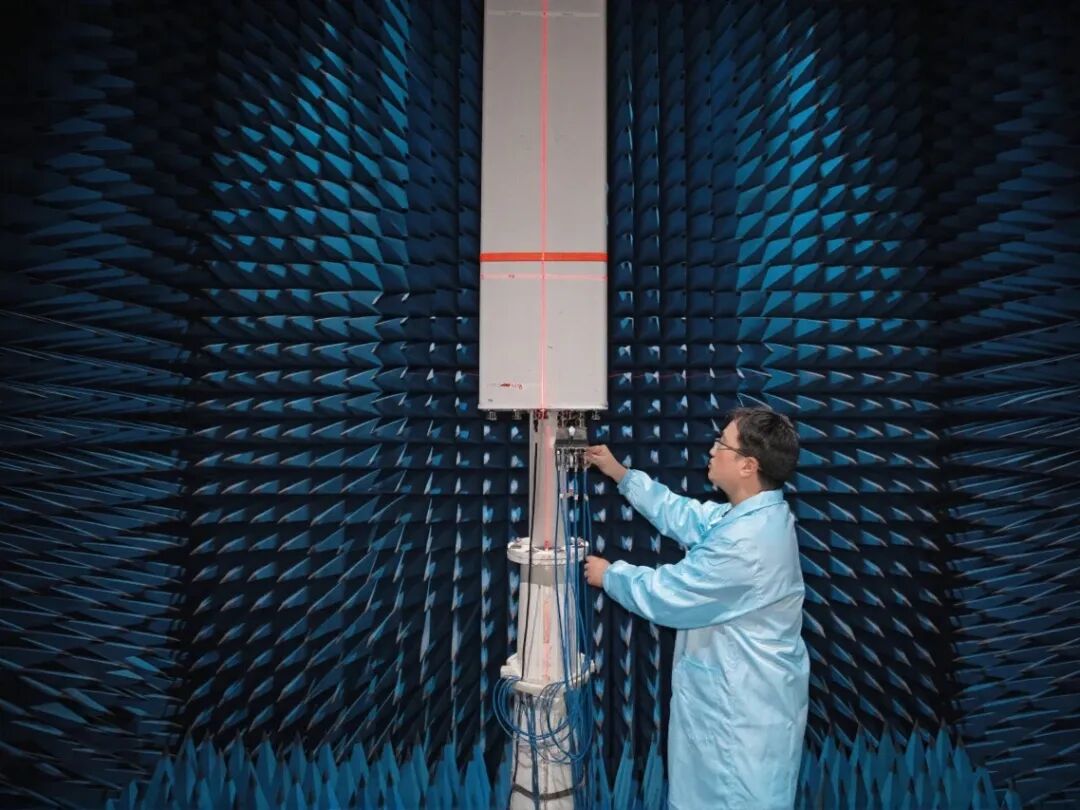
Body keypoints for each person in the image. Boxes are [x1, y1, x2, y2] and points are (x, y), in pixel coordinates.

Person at [583, 406, 809, 810]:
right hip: (735, 707)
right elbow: (687, 515)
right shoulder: (752, 516)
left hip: (739, 723)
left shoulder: (747, 544)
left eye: (722, 443)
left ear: (748, 466)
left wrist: (610, 575)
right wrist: (622, 475)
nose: (712, 449)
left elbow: (670, 594)